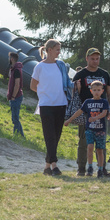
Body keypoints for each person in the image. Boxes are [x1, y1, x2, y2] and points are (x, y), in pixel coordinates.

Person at [71, 48, 110, 176]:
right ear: (87, 59)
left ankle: (102, 169)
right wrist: (78, 89)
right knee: (84, 142)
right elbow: (74, 95)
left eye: (97, 59)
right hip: (86, 113)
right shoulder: (80, 74)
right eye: (92, 59)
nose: (95, 61)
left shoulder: (104, 74)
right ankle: (81, 168)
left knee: (101, 143)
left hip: (101, 113)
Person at [30, 39, 70, 176]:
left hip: (61, 103)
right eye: (57, 49)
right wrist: (44, 93)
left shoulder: (61, 65)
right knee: (49, 136)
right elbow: (33, 86)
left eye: (60, 49)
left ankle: (47, 166)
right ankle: (54, 165)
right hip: (46, 105)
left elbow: (66, 82)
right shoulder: (39, 67)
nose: (59, 52)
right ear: (49, 50)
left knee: (56, 136)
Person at [65, 80, 110, 177]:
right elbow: (79, 112)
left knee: (99, 150)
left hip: (100, 130)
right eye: (94, 90)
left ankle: (100, 169)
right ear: (91, 91)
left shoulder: (104, 102)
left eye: (99, 90)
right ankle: (89, 167)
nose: (97, 92)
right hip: (89, 129)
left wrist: (95, 118)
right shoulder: (88, 102)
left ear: (102, 91)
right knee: (89, 147)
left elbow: (104, 113)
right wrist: (69, 120)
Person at [7, 52, 24, 137]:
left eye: (9, 58)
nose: (8, 59)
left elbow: (17, 85)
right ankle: (21, 136)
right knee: (15, 118)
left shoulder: (16, 70)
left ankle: (16, 135)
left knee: (15, 119)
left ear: (12, 59)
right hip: (15, 96)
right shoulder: (14, 69)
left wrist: (13, 96)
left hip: (16, 97)